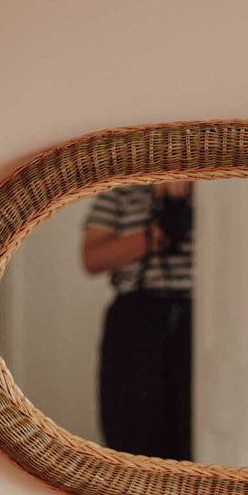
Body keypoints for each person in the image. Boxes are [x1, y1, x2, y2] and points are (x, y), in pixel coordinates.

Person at [82, 182, 193, 460]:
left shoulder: (218, 189)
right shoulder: (123, 190)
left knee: (193, 427)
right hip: (136, 319)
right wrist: (156, 234)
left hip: (200, 320)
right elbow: (91, 258)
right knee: (130, 427)